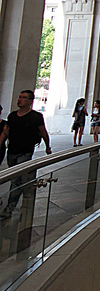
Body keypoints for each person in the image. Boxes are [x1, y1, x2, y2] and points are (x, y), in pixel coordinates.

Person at [0, 90, 52, 218]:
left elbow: (43, 132)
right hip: (12, 151)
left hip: (25, 151)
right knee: (14, 178)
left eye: (23, 98)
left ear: (30, 101)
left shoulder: (36, 117)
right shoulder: (12, 116)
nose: (20, 99)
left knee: (16, 180)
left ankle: (10, 208)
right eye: (19, 97)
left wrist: (47, 147)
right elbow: (6, 131)